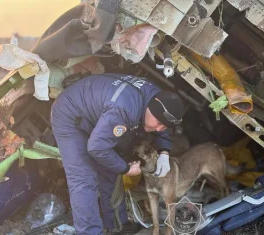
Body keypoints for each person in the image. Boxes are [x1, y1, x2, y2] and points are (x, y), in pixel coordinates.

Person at [50, 73, 185, 234]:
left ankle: (117, 226)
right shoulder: (124, 110)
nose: (159, 129)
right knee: (83, 178)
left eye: (164, 127)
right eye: (159, 124)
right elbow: (97, 148)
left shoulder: (157, 98)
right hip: (70, 114)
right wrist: (126, 169)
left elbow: (162, 122)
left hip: (97, 112)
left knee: (109, 168)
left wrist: (164, 152)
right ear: (151, 110)